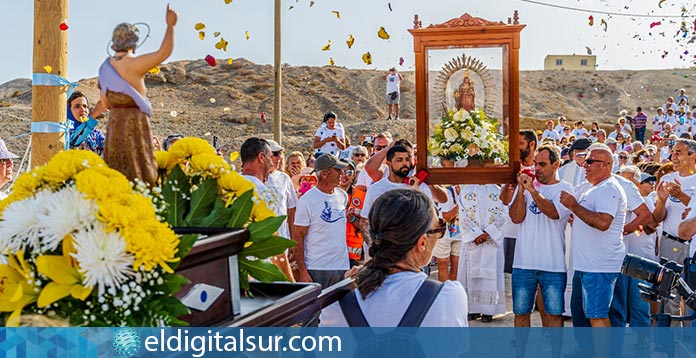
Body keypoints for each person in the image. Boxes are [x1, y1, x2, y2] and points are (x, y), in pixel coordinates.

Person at [319, 189, 469, 327]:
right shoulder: (448, 298)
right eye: (439, 229)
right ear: (422, 242)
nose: (439, 236)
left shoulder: (336, 307)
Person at [98, 5, 177, 186]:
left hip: (115, 121)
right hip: (135, 120)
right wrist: (170, 26)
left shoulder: (105, 68)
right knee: (140, 169)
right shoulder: (135, 63)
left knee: (116, 165)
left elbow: (105, 101)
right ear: (133, 41)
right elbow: (163, 52)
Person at [560, 145, 627, 327]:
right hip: (586, 265)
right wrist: (579, 216)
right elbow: (591, 217)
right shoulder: (593, 188)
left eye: (590, 161)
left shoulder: (609, 189)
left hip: (599, 265)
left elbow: (603, 223)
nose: (585, 166)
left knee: (597, 316)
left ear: (606, 165)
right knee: (585, 316)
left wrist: (574, 206)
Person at [509, 145, 572, 330]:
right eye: (536, 164)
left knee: (553, 315)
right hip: (523, 264)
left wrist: (533, 192)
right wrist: (521, 190)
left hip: (552, 265)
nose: (537, 169)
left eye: (543, 164)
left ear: (556, 164)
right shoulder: (527, 187)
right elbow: (516, 217)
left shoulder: (565, 189)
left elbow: (553, 213)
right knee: (520, 313)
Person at [653, 139, 696, 324]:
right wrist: (661, 201)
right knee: (669, 294)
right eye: (672, 152)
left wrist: (681, 196)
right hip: (670, 242)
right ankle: (671, 344)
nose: (673, 157)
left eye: (679, 152)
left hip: (692, 246)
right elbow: (657, 218)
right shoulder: (666, 179)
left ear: (693, 156)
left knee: (691, 297)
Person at [240, 138, 295, 282]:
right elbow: (273, 243)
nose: (272, 162)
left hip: (238, 273)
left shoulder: (230, 186)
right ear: (261, 157)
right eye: (270, 157)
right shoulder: (262, 193)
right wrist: (290, 282)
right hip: (261, 273)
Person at [292, 154, 350, 287]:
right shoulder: (307, 201)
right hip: (317, 267)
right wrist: (303, 271)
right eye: (337, 170)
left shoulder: (342, 196)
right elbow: (298, 236)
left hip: (342, 266)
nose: (342, 173)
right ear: (324, 173)